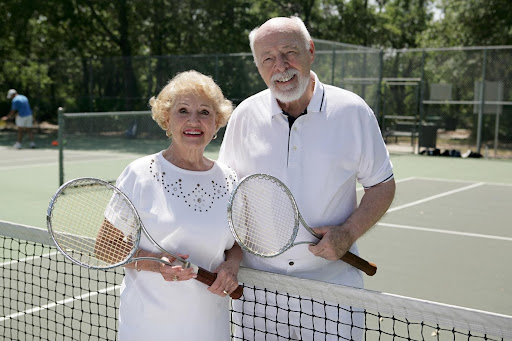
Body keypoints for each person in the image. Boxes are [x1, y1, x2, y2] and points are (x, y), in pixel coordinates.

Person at [218, 16, 396, 340]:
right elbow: (229, 197)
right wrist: (229, 257)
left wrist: (348, 232)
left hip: (334, 291)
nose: (281, 66)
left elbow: (382, 184)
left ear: (310, 51)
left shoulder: (353, 112)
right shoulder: (243, 116)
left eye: (289, 52)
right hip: (259, 293)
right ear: (258, 66)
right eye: (268, 59)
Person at [99, 70, 242, 340]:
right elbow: (105, 246)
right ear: (167, 118)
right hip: (147, 329)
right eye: (183, 111)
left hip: (211, 328)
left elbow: (235, 244)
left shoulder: (230, 178)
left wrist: (231, 266)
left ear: (217, 123)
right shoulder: (139, 174)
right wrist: (154, 263)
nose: (193, 121)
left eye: (204, 112)